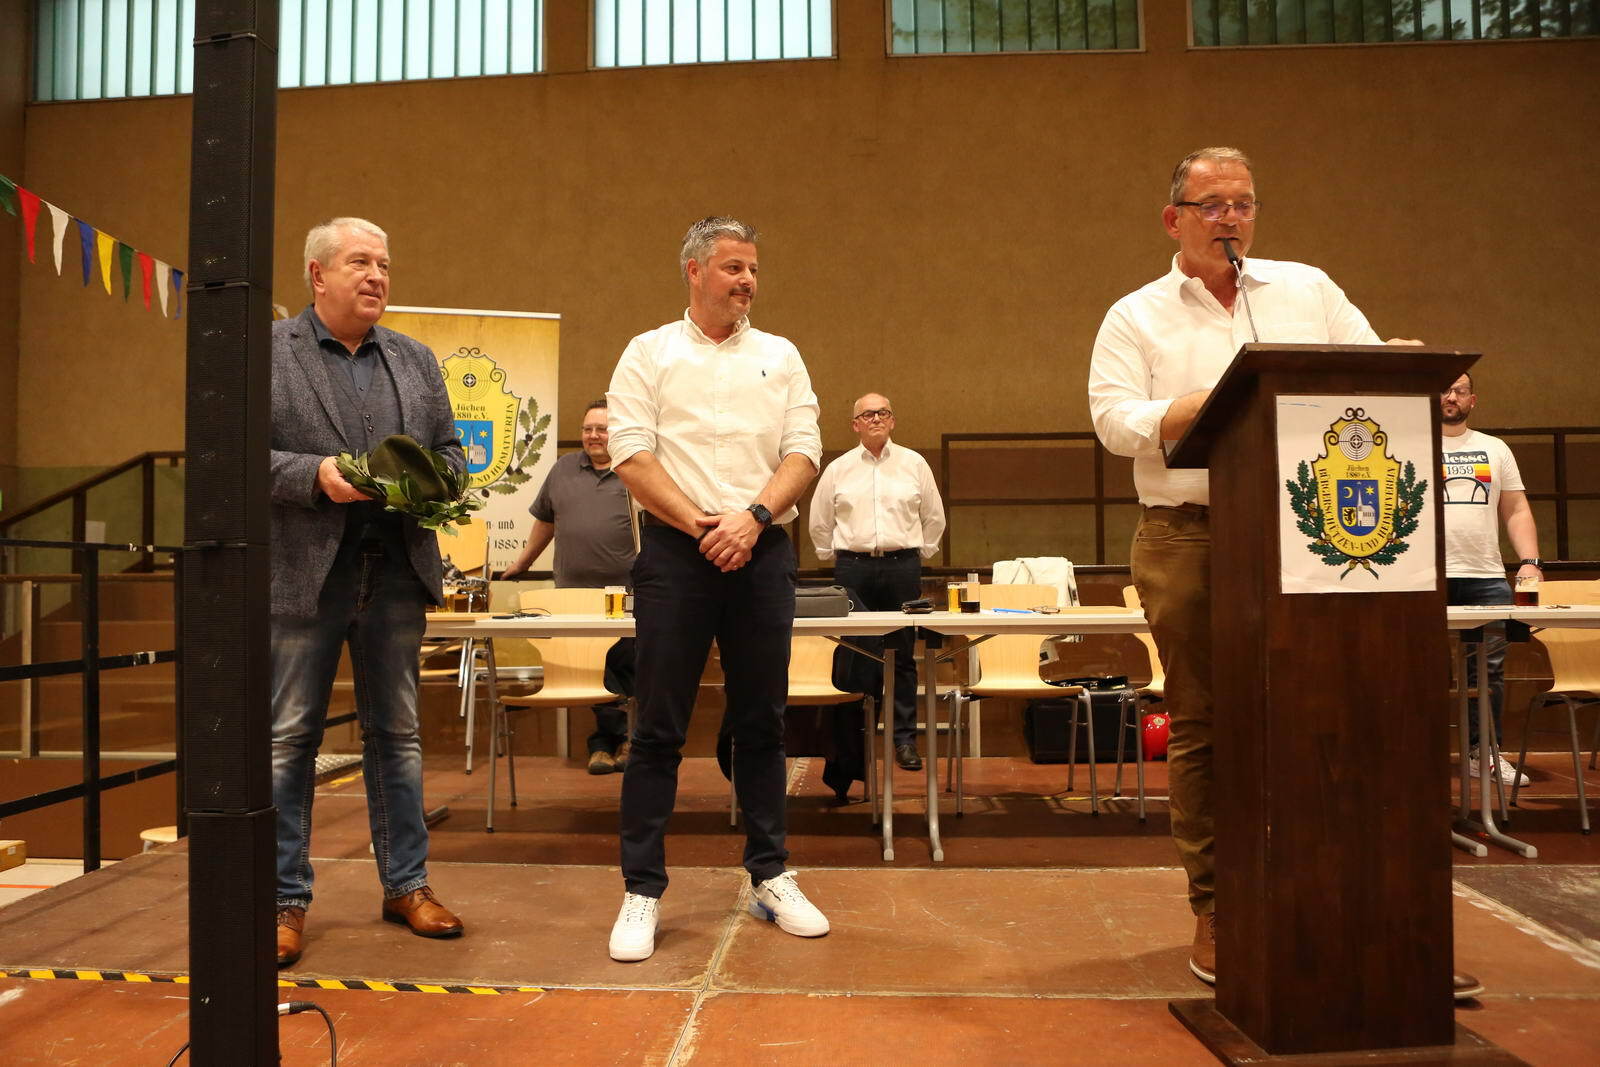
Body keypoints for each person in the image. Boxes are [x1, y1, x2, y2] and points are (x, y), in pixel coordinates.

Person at [1086, 148, 1486, 997]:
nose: (1230, 217)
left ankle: (1372, 913)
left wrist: (1398, 361)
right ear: (1174, 219)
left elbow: (1372, 372)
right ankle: (1220, 908)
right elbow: (1116, 423)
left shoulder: (1309, 289)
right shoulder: (1135, 314)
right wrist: (1231, 394)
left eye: (1243, 203)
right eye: (1211, 204)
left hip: (1317, 536)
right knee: (1204, 722)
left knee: (1343, 715)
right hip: (1190, 534)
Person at [603, 216, 828, 962]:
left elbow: (804, 451)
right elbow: (631, 453)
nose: (748, 281)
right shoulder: (648, 352)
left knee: (762, 721)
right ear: (694, 271)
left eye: (753, 268)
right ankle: (642, 889)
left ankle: (770, 873)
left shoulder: (781, 355)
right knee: (658, 725)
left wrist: (753, 518)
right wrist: (701, 523)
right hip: (677, 552)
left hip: (760, 550)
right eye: (733, 267)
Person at [270, 217, 466, 968]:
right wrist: (314, 475)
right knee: (291, 739)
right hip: (304, 576)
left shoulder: (414, 359)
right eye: (360, 262)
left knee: (400, 736)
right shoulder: (271, 352)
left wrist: (430, 478)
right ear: (318, 275)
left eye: (384, 263)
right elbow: (236, 456)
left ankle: (406, 886)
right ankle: (283, 900)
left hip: (395, 574)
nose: (377, 275)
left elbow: (453, 455)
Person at [809, 393, 945, 771]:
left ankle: (904, 740)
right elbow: (820, 521)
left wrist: (920, 553)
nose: (875, 419)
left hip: (902, 567)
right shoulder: (838, 469)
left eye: (882, 412)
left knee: (901, 654)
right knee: (855, 655)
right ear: (855, 424)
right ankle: (854, 744)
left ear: (892, 420)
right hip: (853, 569)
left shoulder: (914, 464)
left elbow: (934, 516)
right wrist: (834, 555)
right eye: (867, 414)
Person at [502, 398, 638, 774]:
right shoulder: (563, 469)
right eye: (587, 429)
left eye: (602, 429)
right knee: (593, 669)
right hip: (573, 598)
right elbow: (546, 521)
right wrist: (523, 562)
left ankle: (627, 741)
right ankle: (606, 742)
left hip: (628, 595)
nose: (593, 436)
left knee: (628, 667)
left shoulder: (635, 470)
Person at [1440, 371, 1542, 786]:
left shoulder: (1494, 448)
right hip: (1426, 577)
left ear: (1473, 400)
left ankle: (1483, 754)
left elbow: (1516, 509)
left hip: (1484, 575)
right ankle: (1416, 756)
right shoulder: (1409, 443)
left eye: (1459, 390)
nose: (1451, 396)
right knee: (1415, 666)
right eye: (1444, 389)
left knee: (1488, 673)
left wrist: (1530, 561)